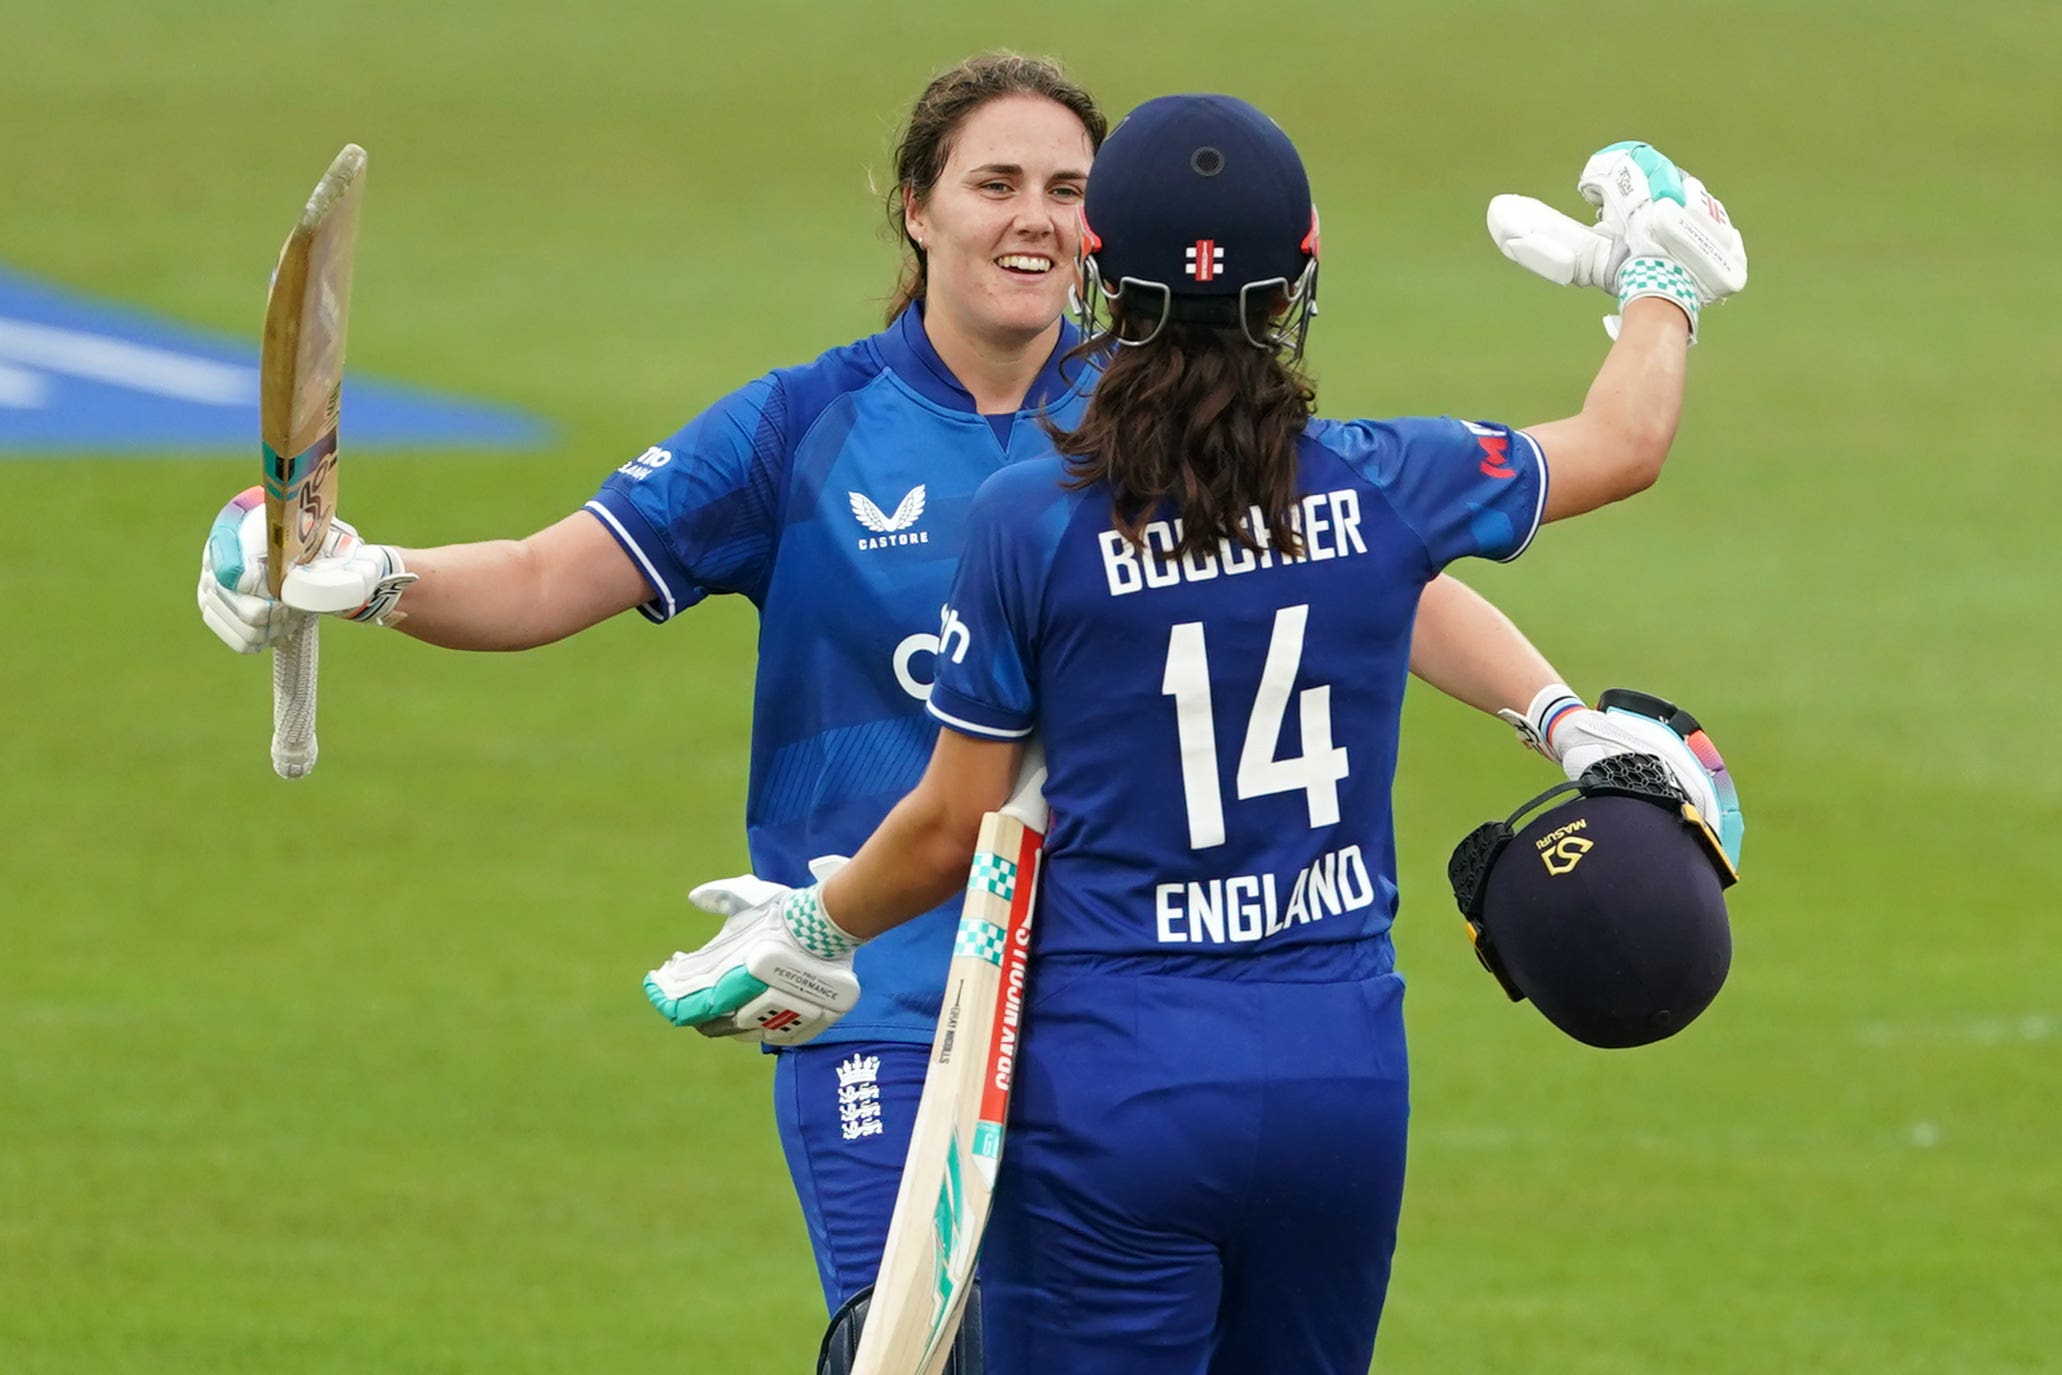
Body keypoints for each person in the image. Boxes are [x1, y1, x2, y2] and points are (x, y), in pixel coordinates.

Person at [196, 53, 1715, 1357]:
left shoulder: (1137, 429)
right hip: (895, 1017)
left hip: (1075, 1020)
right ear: (916, 208)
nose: (1033, 217)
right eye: (997, 182)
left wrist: (1559, 718)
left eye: (1067, 187)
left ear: (1105, 236)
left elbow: (1370, 592)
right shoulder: (809, 424)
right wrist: (374, 573)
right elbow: (543, 577)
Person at [642, 94, 1747, 1374]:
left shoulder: (1026, 521)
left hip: (1114, 1084)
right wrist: (1663, 277)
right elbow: (1626, 439)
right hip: (1340, 1075)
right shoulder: (1382, 482)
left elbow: (952, 825)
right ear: (1302, 275)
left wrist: (813, 924)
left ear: (1099, 271)